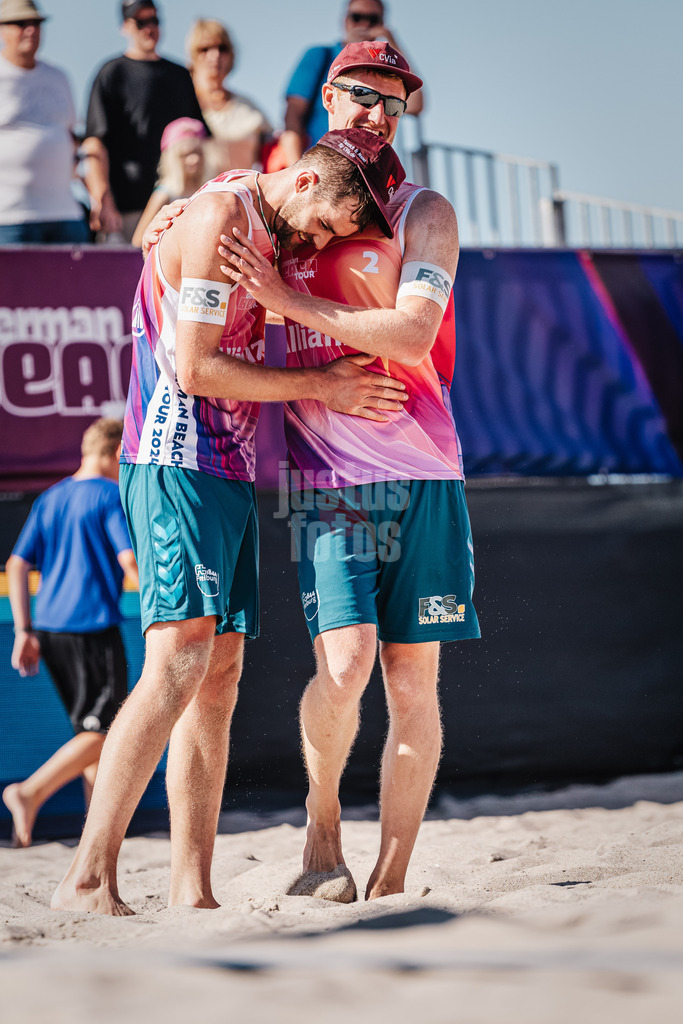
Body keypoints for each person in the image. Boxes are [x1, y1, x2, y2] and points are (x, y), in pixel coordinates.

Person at [51, 129, 409, 916]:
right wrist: (324, 386)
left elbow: (249, 187)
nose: (315, 244)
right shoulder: (222, 219)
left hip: (229, 467)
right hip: (175, 455)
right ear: (307, 186)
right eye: (321, 227)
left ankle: (191, 888)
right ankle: (84, 876)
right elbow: (195, 367)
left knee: (218, 679)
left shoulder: (255, 204)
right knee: (177, 658)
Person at [217, 40, 480, 904]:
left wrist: (290, 302)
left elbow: (410, 336)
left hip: (425, 475)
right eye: (363, 97)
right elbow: (212, 206)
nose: (376, 114)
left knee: (413, 682)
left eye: (393, 106)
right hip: (327, 480)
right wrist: (168, 212)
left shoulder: (421, 211)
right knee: (345, 664)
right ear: (327, 97)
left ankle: (392, 875)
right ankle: (321, 819)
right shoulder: (285, 198)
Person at [2, 419, 138, 848]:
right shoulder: (109, 496)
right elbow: (131, 560)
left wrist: (24, 630)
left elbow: (18, 565)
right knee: (107, 732)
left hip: (49, 630)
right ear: (118, 453)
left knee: (89, 733)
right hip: (91, 628)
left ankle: (95, 834)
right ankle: (29, 793)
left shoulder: (51, 497)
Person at [82, 1, 206, 243]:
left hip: (177, 206)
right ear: (125, 27)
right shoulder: (111, 73)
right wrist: (102, 200)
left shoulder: (180, 75)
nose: (150, 28)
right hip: (126, 211)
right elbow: (95, 143)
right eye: (141, 22)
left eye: (154, 21)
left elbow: (202, 139)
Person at [280, 0, 423, 165]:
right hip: (319, 164)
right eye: (357, 17)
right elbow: (293, 116)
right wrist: (298, 168)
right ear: (345, 20)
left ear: (382, 24)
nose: (364, 24)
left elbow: (415, 104)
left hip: (364, 170)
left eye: (372, 19)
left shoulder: (385, 70)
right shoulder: (320, 55)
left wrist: (391, 43)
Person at [0, 0, 89, 244]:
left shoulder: (58, 77)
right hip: (9, 218)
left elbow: (73, 136)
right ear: (2, 30)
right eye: (20, 23)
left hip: (64, 213)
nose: (31, 30)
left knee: (76, 282)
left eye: (36, 23)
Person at [187, 19, 272, 174]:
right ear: (193, 54)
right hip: (189, 196)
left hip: (238, 194)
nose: (215, 55)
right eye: (205, 49)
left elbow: (273, 151)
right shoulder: (182, 102)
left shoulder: (248, 107)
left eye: (222, 48)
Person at [131, 117, 209, 248]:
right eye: (186, 154)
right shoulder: (164, 194)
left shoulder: (207, 191)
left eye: (198, 153)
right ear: (173, 158)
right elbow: (139, 240)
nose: (194, 159)